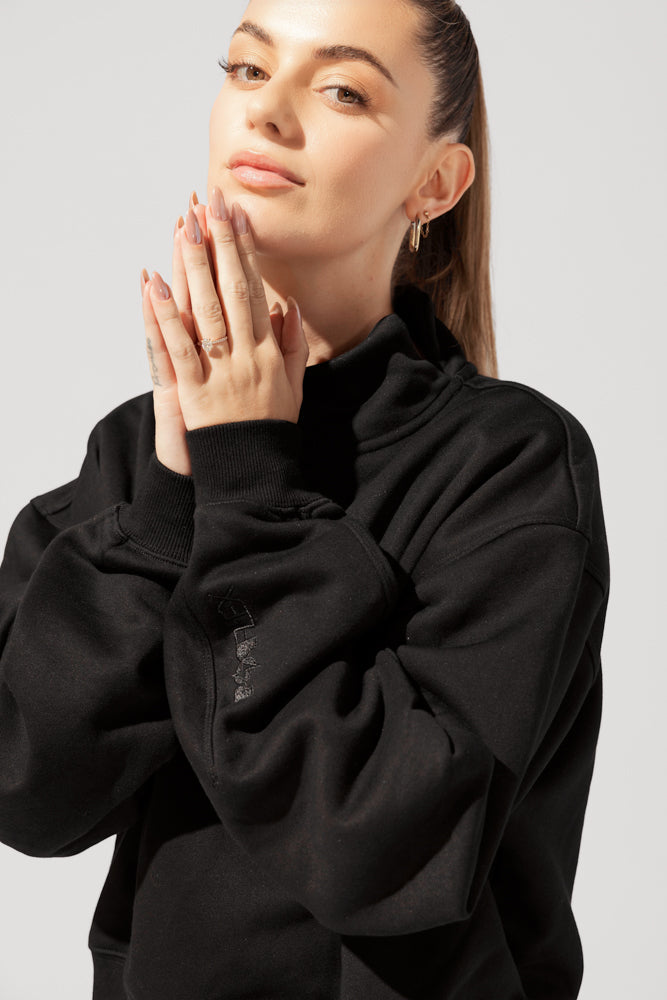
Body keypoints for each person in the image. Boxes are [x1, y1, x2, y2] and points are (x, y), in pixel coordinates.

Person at [0, 0, 609, 997]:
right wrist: (171, 499)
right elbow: (28, 791)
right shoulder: (136, 451)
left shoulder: (510, 464)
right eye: (247, 69)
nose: (266, 111)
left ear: (435, 181)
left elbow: (383, 845)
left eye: (341, 90)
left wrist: (246, 480)